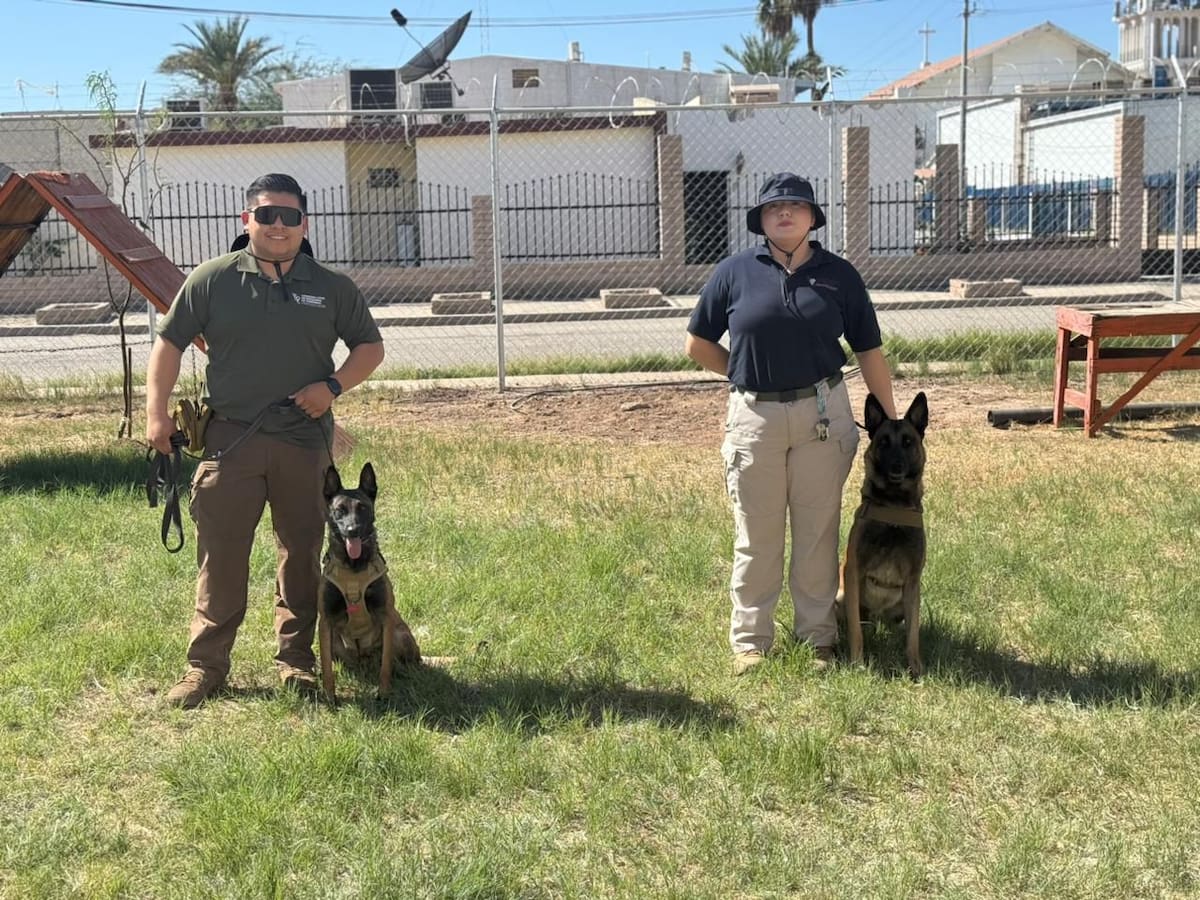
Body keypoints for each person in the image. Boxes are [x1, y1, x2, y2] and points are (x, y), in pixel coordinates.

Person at [146, 173, 386, 708]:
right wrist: (155, 413)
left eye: (289, 216)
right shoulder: (213, 279)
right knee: (221, 557)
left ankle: (296, 662)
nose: (278, 225)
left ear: (305, 224)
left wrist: (332, 387)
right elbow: (169, 343)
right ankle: (205, 667)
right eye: (266, 214)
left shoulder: (332, 287)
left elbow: (370, 348)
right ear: (246, 219)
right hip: (231, 441)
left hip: (304, 442)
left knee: (301, 554)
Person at [684, 172, 897, 676]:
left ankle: (817, 639)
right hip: (754, 419)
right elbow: (697, 344)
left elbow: (869, 351)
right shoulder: (734, 273)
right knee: (756, 535)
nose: (784, 213)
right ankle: (751, 643)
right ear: (760, 220)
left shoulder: (839, 276)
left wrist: (890, 420)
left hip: (821, 416)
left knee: (817, 532)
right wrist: (742, 373)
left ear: (812, 217)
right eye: (773, 207)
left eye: (795, 205)